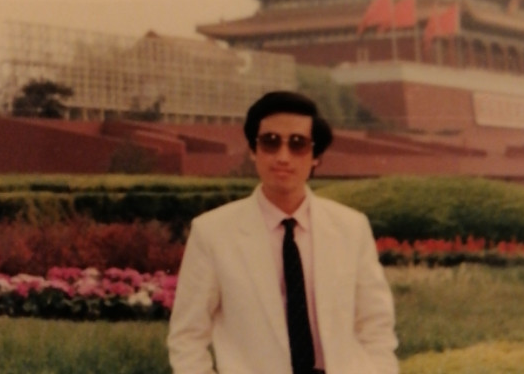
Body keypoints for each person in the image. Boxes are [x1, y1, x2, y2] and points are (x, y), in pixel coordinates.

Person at [167, 90, 399, 374]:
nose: (283, 157)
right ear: (253, 150)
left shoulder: (351, 228)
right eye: (270, 142)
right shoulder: (213, 233)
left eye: (298, 144)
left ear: (315, 156)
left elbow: (376, 327)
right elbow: (187, 337)